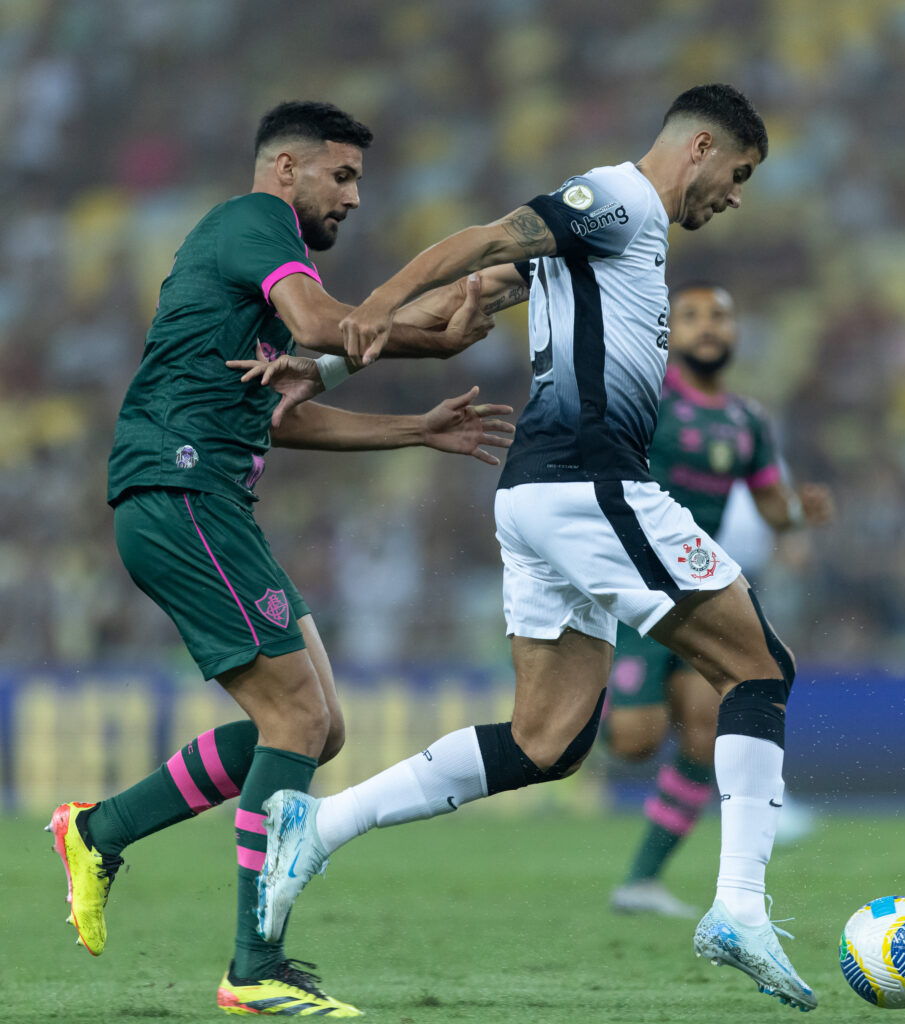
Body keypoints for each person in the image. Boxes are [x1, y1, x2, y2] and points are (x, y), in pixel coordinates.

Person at [251, 83, 819, 1012]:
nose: (738, 195)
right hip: (592, 485)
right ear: (703, 146)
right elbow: (480, 242)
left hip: (537, 498)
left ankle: (317, 826)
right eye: (740, 173)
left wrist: (327, 367)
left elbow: (478, 291)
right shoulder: (619, 197)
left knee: (547, 741)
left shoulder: (611, 241)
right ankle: (738, 908)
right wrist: (367, 308)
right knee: (760, 671)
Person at [46, 100, 514, 1019]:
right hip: (181, 491)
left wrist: (416, 425)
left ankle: (98, 832)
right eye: (341, 178)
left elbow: (286, 412)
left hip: (206, 499)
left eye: (358, 184)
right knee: (296, 718)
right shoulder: (256, 224)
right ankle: (253, 968)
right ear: (287, 170)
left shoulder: (245, 282)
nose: (352, 198)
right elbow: (323, 320)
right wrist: (426, 327)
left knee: (315, 727)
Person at [605, 281, 834, 919]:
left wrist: (798, 512)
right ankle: (578, 703)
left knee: (705, 732)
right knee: (633, 742)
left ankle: (641, 879)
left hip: (700, 591)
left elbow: (771, 509)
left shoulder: (747, 421)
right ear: (671, 333)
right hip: (633, 587)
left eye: (721, 317)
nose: (709, 327)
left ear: (735, 334)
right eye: (695, 317)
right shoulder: (646, 401)